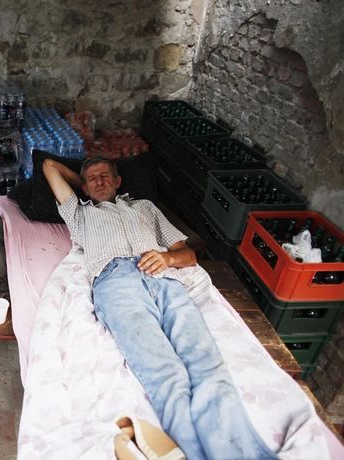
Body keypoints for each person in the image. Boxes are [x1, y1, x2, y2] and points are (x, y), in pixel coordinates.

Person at [43, 156, 276, 460]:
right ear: (84, 186)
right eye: (93, 178)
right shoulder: (80, 213)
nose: (100, 181)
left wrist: (167, 259)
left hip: (165, 279)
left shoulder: (147, 208)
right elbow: (49, 166)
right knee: (166, 373)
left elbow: (187, 254)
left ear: (119, 181)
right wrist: (86, 186)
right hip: (116, 282)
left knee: (208, 368)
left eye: (106, 176)